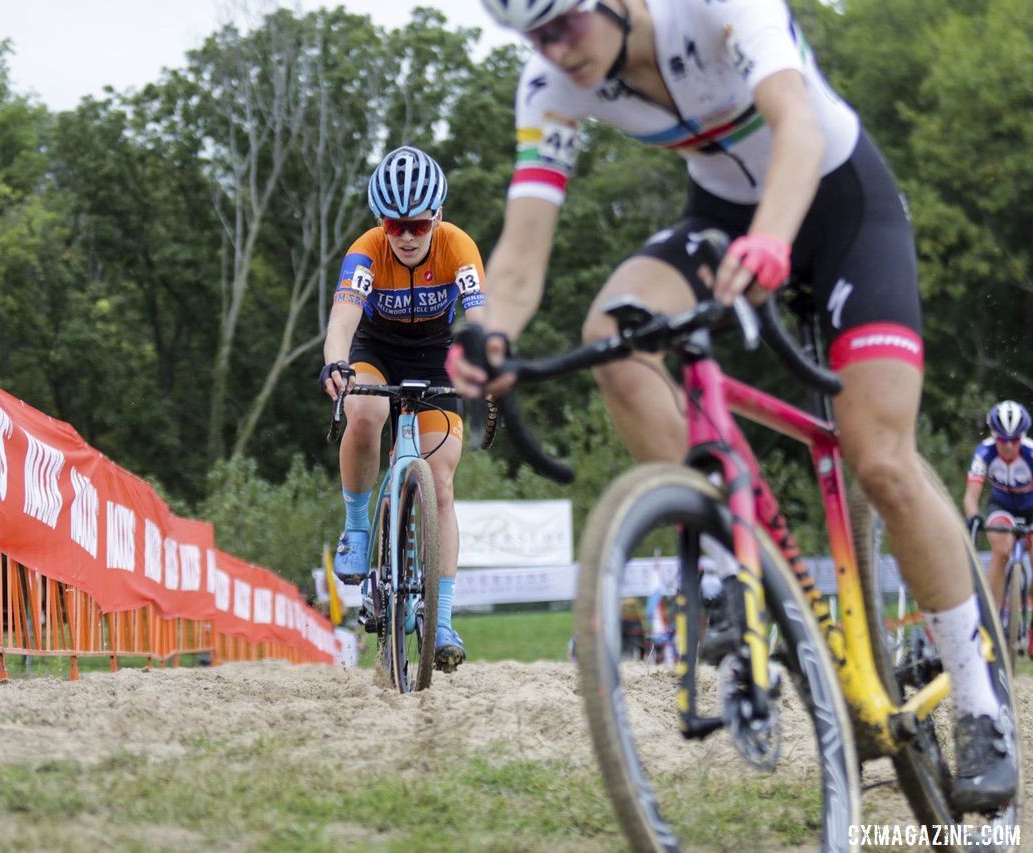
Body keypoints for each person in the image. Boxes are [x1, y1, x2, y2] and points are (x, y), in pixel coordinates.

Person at [452, 0, 1015, 809]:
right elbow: (523, 245)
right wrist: (489, 335)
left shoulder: (715, 8)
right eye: (533, 36)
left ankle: (980, 700)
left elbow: (797, 125)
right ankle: (727, 567)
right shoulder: (550, 84)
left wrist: (774, 241)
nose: (553, 49)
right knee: (617, 336)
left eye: (564, 23)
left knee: (881, 458)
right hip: (720, 220)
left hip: (837, 201)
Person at [319, 145, 487, 671]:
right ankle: (358, 526)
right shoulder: (366, 251)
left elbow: (481, 317)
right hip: (376, 351)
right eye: (396, 226)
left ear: (437, 216)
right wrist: (335, 363)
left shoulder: (458, 247)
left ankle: (440, 623)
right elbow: (344, 316)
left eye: (418, 224)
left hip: (438, 355)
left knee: (440, 483)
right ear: (380, 223)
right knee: (365, 414)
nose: (408, 236)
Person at [964, 400, 1033, 610]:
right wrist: (973, 516)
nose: (1009, 445)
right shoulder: (984, 453)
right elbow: (970, 496)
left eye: (1015, 439)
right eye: (1003, 439)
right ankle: (991, 614)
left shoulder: (1031, 452)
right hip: (1001, 506)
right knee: (1001, 550)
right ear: (994, 435)